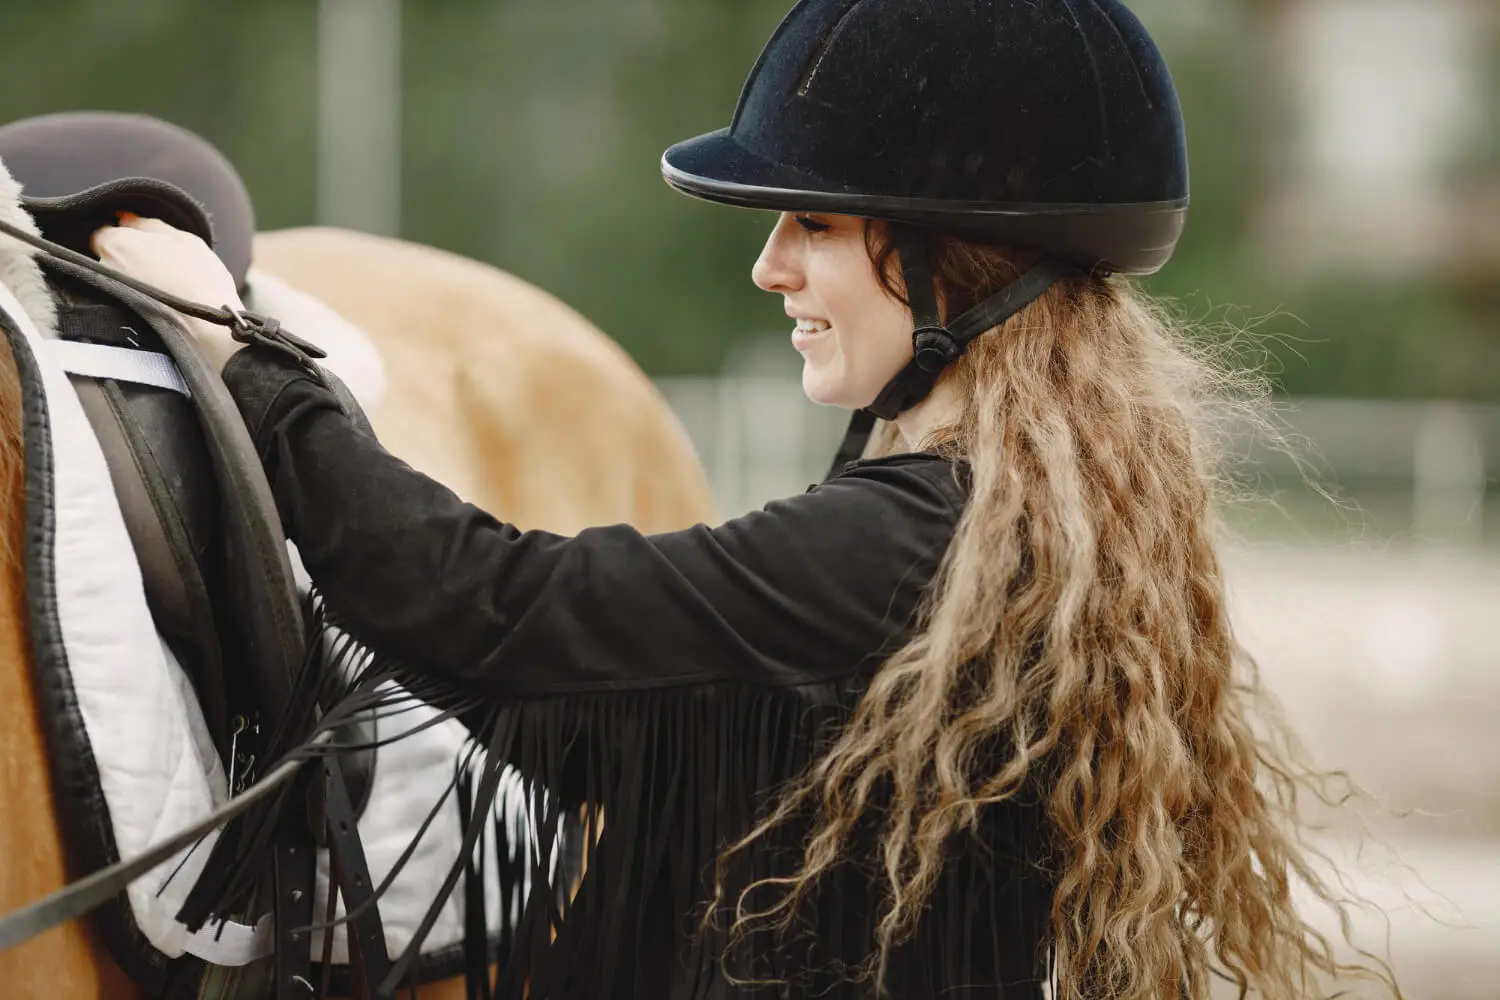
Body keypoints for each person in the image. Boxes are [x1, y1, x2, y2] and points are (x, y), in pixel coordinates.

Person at [91, 2, 1402, 998]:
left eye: (814, 226)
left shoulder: (900, 550)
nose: (771, 266)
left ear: (953, 260)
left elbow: (497, 612)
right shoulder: (977, 526)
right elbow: (618, 721)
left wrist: (245, 356)